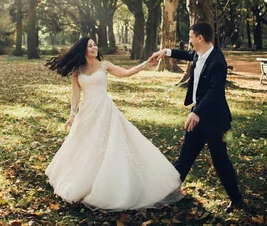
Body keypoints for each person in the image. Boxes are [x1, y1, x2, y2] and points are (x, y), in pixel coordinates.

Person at [45, 37, 183, 211]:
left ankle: (109, 184)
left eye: (95, 44)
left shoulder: (105, 65)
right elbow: (75, 94)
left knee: (110, 145)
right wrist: (72, 115)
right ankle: (83, 182)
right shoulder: (77, 71)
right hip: (87, 112)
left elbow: (125, 73)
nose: (94, 47)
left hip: (104, 109)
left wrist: (144, 64)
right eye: (90, 46)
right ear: (83, 50)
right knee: (86, 146)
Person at [149, 22, 244, 213]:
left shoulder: (218, 61)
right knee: (185, 157)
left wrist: (196, 112)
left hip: (217, 122)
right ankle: (168, 194)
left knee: (221, 160)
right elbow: (184, 54)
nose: (189, 40)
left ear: (200, 38)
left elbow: (216, 92)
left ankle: (237, 199)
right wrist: (165, 51)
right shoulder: (198, 54)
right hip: (197, 118)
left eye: (191, 36)